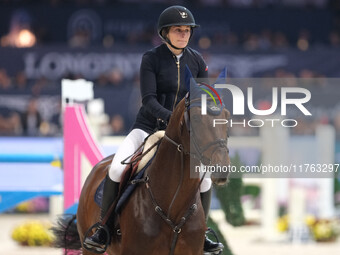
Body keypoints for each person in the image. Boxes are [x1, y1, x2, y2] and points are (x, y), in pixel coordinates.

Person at [84, 5, 224, 254]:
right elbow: (149, 100)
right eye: (178, 30)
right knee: (116, 168)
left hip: (184, 135)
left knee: (202, 178)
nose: (183, 34)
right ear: (165, 32)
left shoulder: (197, 61)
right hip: (148, 128)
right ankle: (103, 228)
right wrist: (173, 121)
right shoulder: (152, 59)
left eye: (187, 30)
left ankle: (202, 233)